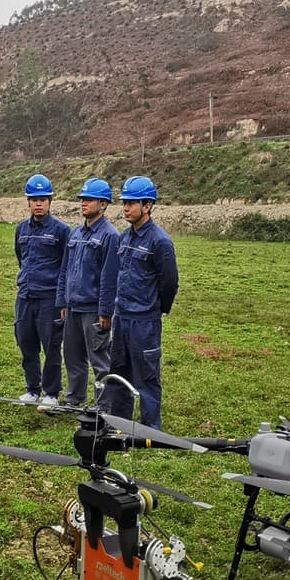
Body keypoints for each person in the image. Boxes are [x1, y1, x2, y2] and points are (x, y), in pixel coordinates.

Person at [102, 176, 178, 429]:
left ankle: (149, 429)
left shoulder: (160, 241)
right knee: (119, 373)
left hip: (144, 321)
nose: (125, 208)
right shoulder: (124, 238)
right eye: (124, 203)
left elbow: (169, 283)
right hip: (122, 318)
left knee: (147, 375)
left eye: (132, 203)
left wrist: (156, 309)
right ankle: (120, 424)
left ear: (147, 206)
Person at [59, 178, 120, 407]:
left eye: (89, 199)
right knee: (73, 357)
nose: (83, 203)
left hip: (94, 310)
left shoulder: (110, 236)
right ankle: (73, 399)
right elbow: (64, 270)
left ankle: (103, 406)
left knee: (100, 360)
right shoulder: (75, 234)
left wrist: (106, 311)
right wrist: (62, 302)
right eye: (82, 199)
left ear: (103, 205)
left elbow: (109, 277)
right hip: (73, 307)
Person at [13, 173, 70, 407]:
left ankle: (51, 393)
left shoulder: (61, 231)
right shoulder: (21, 229)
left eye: (43, 199)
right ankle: (32, 389)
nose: (39, 203)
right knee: (26, 344)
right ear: (28, 201)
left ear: (50, 202)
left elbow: (66, 266)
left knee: (52, 348)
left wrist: (61, 298)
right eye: (34, 199)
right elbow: (21, 258)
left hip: (49, 299)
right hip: (25, 296)